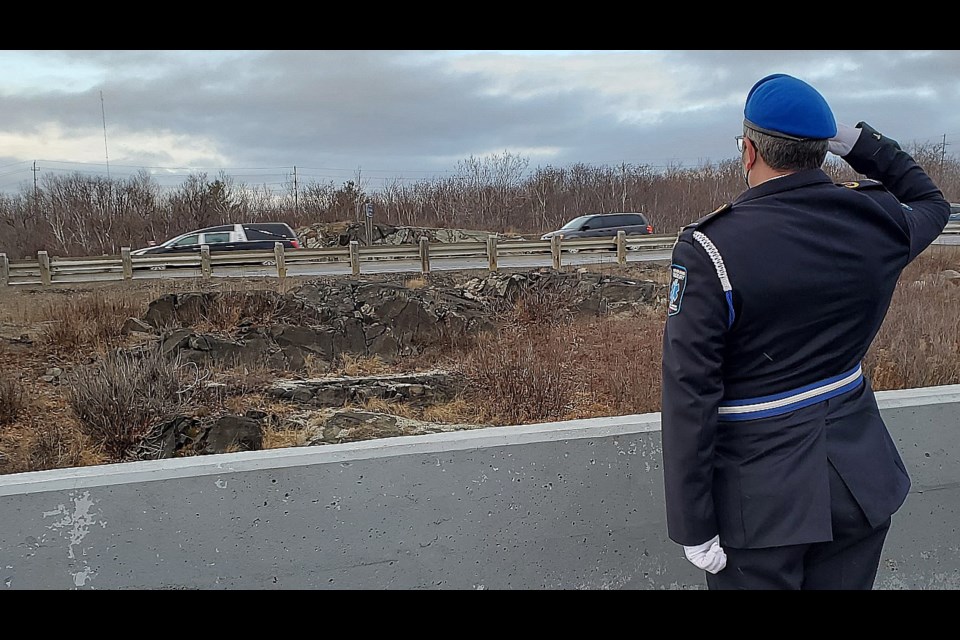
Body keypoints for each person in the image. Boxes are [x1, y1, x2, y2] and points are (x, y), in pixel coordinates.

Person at [660, 72, 952, 590]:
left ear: (747, 151)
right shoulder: (876, 220)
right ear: (822, 151)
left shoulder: (710, 250)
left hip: (760, 499)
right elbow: (932, 203)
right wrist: (858, 143)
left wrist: (693, 522)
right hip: (860, 479)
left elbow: (690, 393)